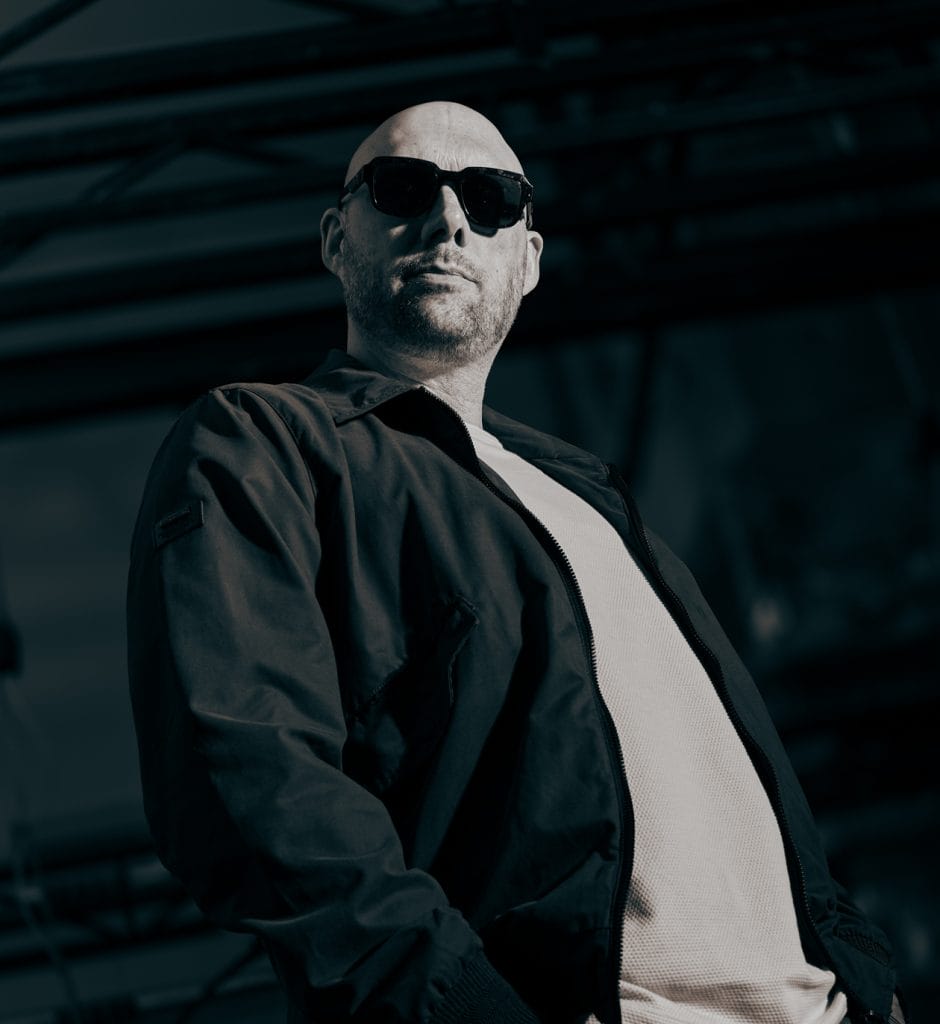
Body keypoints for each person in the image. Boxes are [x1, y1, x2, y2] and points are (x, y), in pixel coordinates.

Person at [127, 101, 906, 1024]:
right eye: (403, 187)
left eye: (491, 198)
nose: (448, 218)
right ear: (337, 239)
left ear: (528, 260)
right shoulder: (266, 443)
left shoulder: (591, 493)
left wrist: (865, 972)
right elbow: (248, 777)